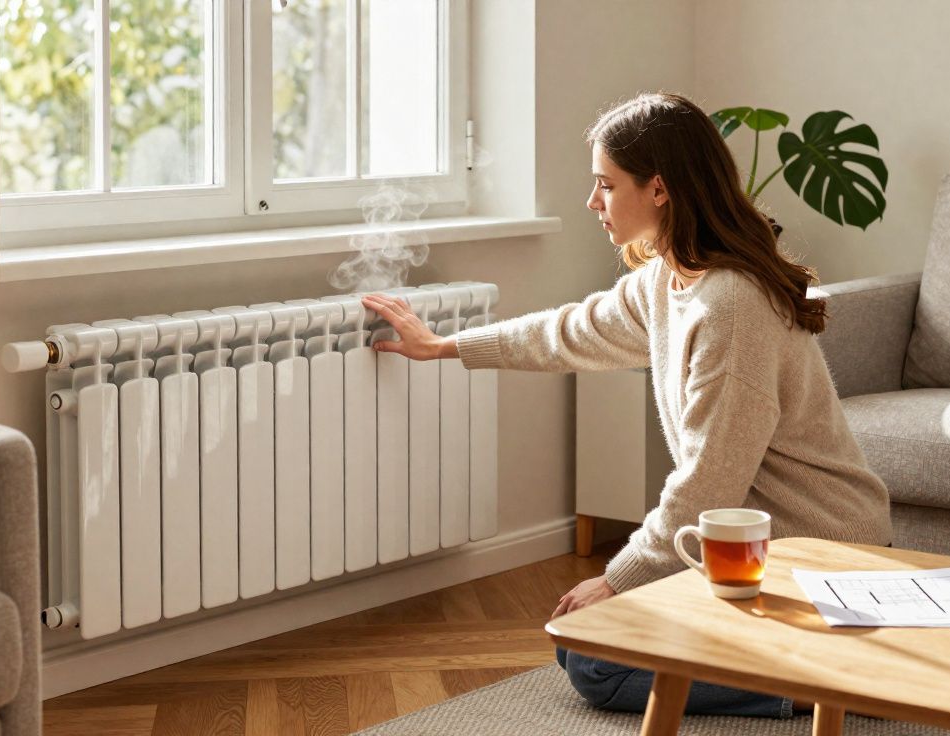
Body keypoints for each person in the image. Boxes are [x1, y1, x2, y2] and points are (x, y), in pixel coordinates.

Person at [360, 91, 893, 719]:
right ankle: (817, 663)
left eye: (607, 185)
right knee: (583, 643)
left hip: (814, 552)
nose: (594, 201)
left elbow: (709, 483)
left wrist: (618, 578)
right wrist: (445, 346)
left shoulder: (729, 306)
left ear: (658, 188)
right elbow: (568, 332)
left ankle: (839, 681)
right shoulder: (669, 280)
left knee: (599, 665)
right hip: (743, 550)